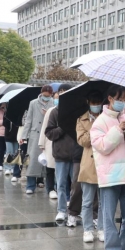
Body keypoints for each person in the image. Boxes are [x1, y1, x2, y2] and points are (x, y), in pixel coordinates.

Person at [91, 85, 125, 250]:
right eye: (119, 98)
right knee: (109, 215)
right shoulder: (99, 122)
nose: (122, 102)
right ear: (110, 99)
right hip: (110, 176)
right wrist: (118, 130)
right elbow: (103, 146)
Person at [45, 84, 78, 222]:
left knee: (76, 186)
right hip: (61, 154)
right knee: (61, 184)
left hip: (76, 155)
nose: (62, 96)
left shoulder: (78, 111)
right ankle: (62, 210)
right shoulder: (54, 112)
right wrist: (62, 128)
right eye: (60, 93)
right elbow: (49, 133)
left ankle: (74, 211)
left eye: (66, 92)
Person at [77, 91, 104, 243]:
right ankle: (87, 229)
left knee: (104, 201)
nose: (96, 106)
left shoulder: (106, 118)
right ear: (88, 103)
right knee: (87, 201)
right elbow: (82, 141)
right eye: (93, 103)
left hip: (104, 163)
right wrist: (94, 128)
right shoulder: (82, 119)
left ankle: (101, 228)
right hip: (88, 163)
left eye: (98, 103)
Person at [20, 85, 54, 195]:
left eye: (48, 96)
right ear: (41, 93)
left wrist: (48, 114)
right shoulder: (33, 103)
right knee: (32, 160)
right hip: (35, 134)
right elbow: (28, 120)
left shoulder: (53, 103)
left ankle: (48, 186)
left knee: (48, 161)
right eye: (44, 95)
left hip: (48, 136)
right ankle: (30, 185)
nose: (46, 98)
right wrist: (23, 136)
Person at [3, 109, 21, 182]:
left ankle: (13, 167)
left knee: (15, 153)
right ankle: (7, 167)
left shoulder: (19, 113)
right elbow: (5, 123)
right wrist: (8, 117)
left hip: (16, 136)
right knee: (9, 152)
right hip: (8, 136)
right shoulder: (7, 113)